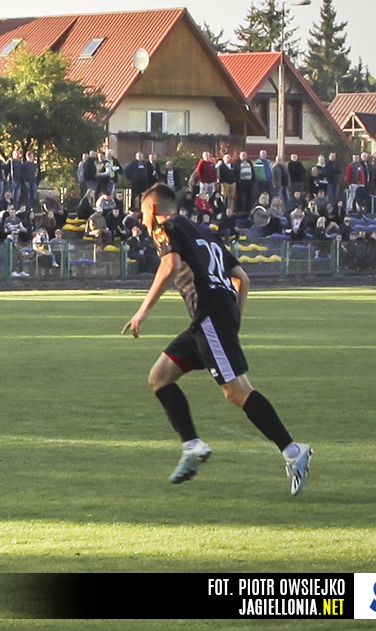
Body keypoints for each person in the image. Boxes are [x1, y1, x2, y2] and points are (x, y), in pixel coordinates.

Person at [122, 184, 312, 495]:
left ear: (153, 209)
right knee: (160, 377)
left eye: (143, 213)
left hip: (210, 318)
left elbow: (170, 265)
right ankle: (192, 445)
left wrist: (142, 311)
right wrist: (234, 319)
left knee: (237, 391)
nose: (142, 221)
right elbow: (242, 279)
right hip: (209, 321)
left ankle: (293, 451)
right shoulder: (204, 233)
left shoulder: (164, 228)